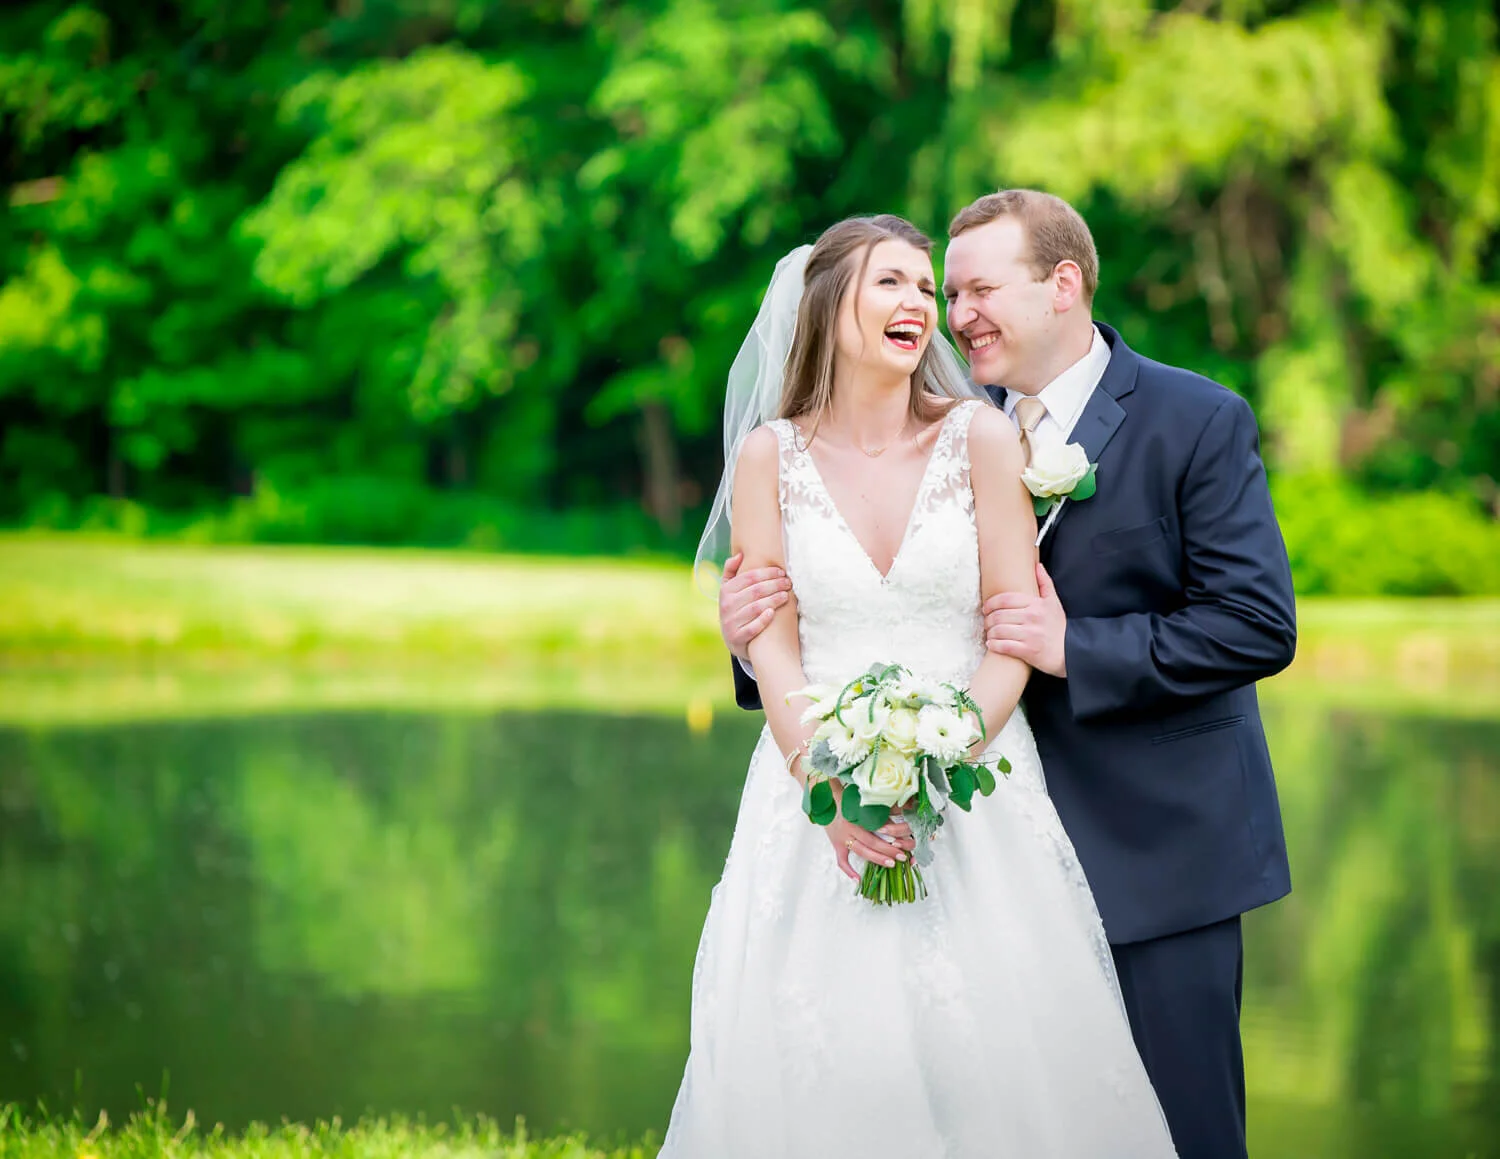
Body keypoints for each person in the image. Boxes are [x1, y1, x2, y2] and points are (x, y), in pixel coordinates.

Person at [719, 191, 1296, 1159]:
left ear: (1062, 284)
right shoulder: (938, 415)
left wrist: (1075, 650)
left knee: (1176, 1128)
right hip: (963, 827)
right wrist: (753, 642)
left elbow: (1254, 624)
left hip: (1154, 839)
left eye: (978, 288)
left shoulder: (1195, 417)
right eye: (948, 291)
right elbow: (836, 600)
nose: (956, 312)